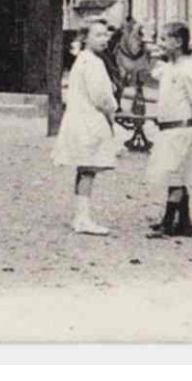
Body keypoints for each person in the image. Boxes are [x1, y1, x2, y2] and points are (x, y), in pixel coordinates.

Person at [52, 20, 119, 236]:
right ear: (86, 38)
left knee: (84, 169)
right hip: (89, 121)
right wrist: (113, 109)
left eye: (106, 35)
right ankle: (83, 218)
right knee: (88, 169)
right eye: (98, 35)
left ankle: (81, 215)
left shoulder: (84, 60)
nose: (104, 39)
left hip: (80, 119)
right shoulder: (92, 63)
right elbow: (101, 97)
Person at [145, 22, 192, 239]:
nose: (160, 43)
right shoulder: (171, 67)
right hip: (169, 130)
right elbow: (156, 73)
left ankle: (168, 223)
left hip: (181, 130)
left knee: (175, 174)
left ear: (179, 42)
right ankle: (184, 223)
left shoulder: (188, 69)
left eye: (165, 39)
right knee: (174, 175)